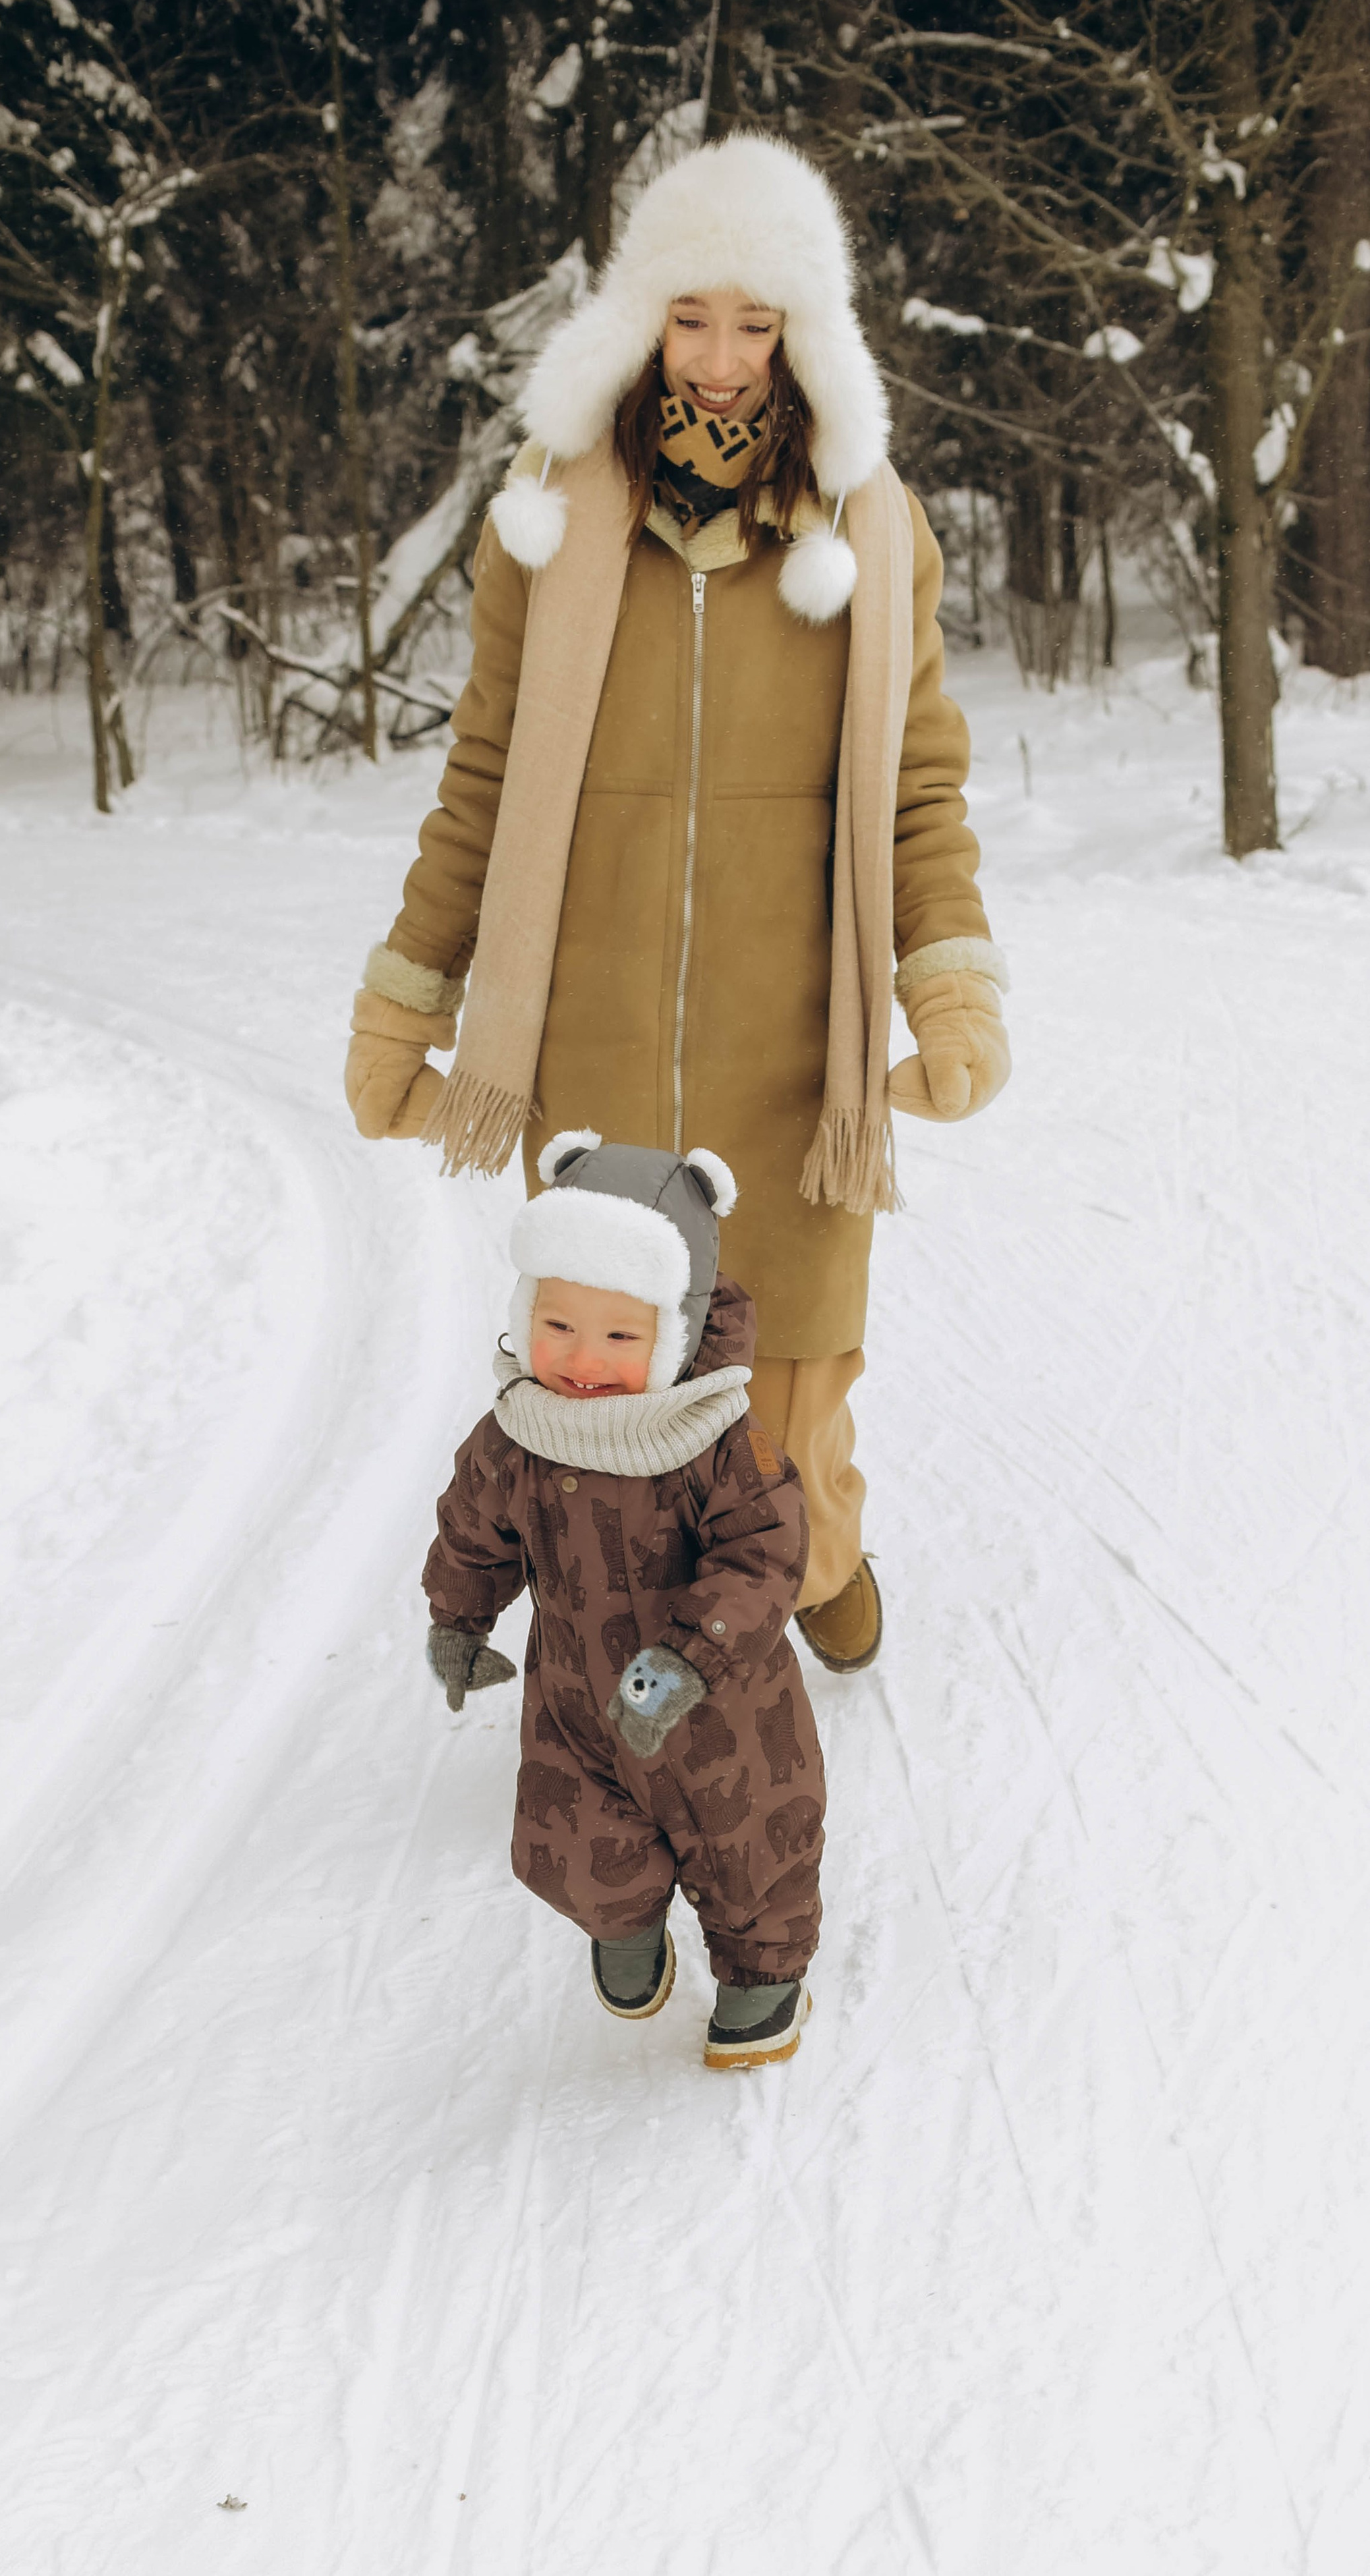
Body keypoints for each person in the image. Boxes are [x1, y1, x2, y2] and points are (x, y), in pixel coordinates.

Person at [348, 133, 1010, 1677]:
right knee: (606, 1374)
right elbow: (485, 778)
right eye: (690, 316)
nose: (718, 362)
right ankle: (644, 1644)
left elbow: (917, 789)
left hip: (791, 1056)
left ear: (806, 335)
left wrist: (952, 990)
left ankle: (814, 1545)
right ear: (641, 317)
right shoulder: (551, 516)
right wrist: (406, 1000)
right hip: (585, 1039)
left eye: (757, 323)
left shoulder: (872, 528)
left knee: (775, 1410)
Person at [424, 1132, 822, 2071]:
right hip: (580, 1702)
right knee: (572, 1840)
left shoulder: (717, 1438)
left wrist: (690, 1656)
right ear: (526, 1315)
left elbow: (765, 1555)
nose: (584, 1360)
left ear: (674, 1334)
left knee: (753, 1846)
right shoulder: (519, 1432)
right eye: (558, 1327)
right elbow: (474, 1529)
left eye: (620, 1335)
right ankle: (626, 1919)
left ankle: (762, 1978)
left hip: (724, 1711)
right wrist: (459, 1615)